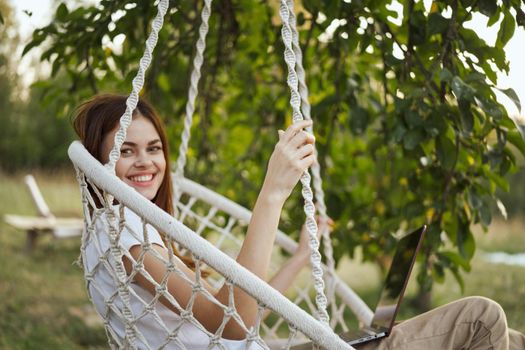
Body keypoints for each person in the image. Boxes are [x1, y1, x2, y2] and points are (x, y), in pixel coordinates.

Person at [73, 94, 525, 350]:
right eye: (125, 150)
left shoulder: (127, 230)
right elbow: (233, 322)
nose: (146, 162)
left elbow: (233, 306)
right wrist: (272, 194)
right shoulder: (120, 230)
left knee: (511, 337)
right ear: (97, 159)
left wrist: (301, 260)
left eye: (153, 148)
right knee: (483, 319)